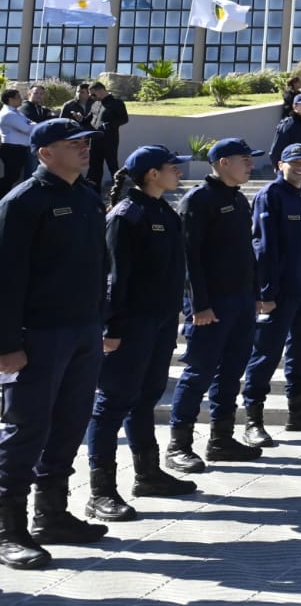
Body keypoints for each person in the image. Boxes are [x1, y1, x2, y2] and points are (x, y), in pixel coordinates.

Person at [0, 119, 109, 570]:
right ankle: (9, 530)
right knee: (27, 430)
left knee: (69, 424)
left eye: (87, 142)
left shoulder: (86, 197)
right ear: (45, 153)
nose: (85, 149)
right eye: (74, 143)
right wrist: (7, 344)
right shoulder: (23, 202)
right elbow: (5, 280)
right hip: (38, 336)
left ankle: (53, 515)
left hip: (83, 331)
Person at [85, 145, 198, 522]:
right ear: (152, 173)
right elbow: (114, 278)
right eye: (172, 167)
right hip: (131, 324)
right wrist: (113, 326)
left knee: (146, 396)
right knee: (112, 401)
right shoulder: (126, 215)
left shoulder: (164, 210)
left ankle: (147, 473)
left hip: (160, 321)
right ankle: (100, 491)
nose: (178, 173)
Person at [167, 138, 267, 473]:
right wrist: (199, 305)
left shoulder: (238, 200)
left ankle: (221, 438)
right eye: (244, 159)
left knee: (231, 373)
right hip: (211, 304)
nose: (250, 165)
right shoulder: (198, 199)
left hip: (240, 301)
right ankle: (178, 445)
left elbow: (247, 255)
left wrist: (255, 295)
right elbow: (188, 257)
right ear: (223, 162)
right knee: (198, 373)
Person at [240, 142, 301, 449]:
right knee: (267, 352)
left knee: (300, 351)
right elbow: (264, 247)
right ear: (279, 165)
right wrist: (266, 292)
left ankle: (297, 411)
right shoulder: (270, 196)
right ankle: (253, 420)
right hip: (280, 292)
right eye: (294, 162)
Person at [87, 82, 129, 190]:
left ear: (100, 91)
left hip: (109, 139)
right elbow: (89, 119)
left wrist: (110, 125)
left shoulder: (116, 103)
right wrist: (80, 119)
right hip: (95, 139)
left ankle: (117, 191)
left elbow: (124, 119)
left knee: (112, 165)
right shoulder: (95, 104)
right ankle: (94, 192)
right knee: (94, 166)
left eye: (93, 94)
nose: (92, 97)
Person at [0, 88, 35, 199]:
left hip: (18, 149)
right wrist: (31, 125)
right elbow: (28, 129)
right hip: (12, 150)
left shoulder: (16, 112)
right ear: (10, 99)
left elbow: (30, 123)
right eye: (18, 97)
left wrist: (31, 124)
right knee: (11, 177)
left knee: (14, 177)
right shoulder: (9, 114)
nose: (21, 99)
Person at [269, 94, 301, 165]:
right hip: (292, 164)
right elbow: (277, 148)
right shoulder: (288, 125)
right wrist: (277, 166)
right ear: (295, 106)